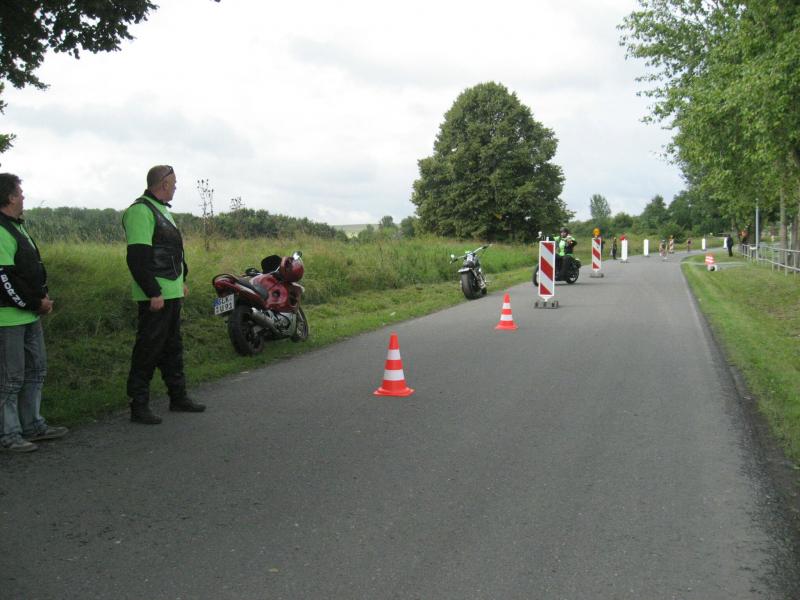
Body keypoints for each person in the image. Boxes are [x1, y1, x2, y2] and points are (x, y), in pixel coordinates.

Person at [123, 165, 205, 424]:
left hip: (171, 291)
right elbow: (137, 258)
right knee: (148, 350)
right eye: (174, 182)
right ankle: (138, 405)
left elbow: (173, 252)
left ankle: (178, 397)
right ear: (164, 184)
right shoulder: (140, 211)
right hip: (156, 295)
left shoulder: (162, 211)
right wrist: (153, 292)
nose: (176, 187)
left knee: (172, 348)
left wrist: (182, 281)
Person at [0, 173, 68, 452]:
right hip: (8, 319)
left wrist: (43, 297)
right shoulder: (1, 230)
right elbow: (4, 279)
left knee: (36, 370)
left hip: (30, 315)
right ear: (10, 197)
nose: (24, 197)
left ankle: (32, 424)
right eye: (20, 192)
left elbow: (31, 270)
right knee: (10, 378)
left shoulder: (17, 227)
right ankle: (8, 434)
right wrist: (34, 303)